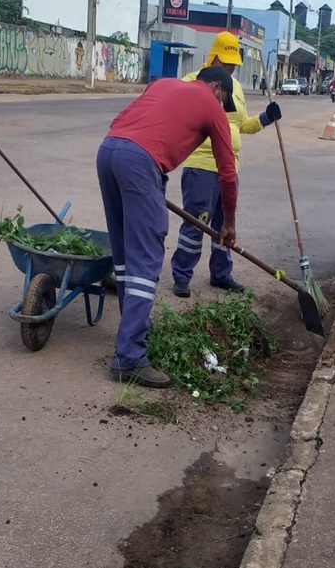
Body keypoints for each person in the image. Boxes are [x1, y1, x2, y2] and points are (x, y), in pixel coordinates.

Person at [97, 65, 240, 388]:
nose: (223, 108)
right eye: (224, 100)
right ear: (216, 87)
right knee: (146, 256)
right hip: (139, 162)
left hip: (108, 151)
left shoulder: (163, 85)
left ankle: (131, 330)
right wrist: (228, 220)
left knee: (124, 252)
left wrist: (153, 180)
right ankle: (130, 357)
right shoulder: (211, 106)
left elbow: (128, 123)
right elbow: (227, 172)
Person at [170, 32, 282, 298]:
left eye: (233, 64)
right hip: (202, 165)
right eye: (226, 63)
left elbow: (241, 125)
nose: (230, 68)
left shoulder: (236, 88)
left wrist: (266, 118)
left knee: (225, 223)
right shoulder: (193, 82)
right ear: (214, 56)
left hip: (230, 167)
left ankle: (221, 274)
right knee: (197, 222)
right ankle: (182, 275)